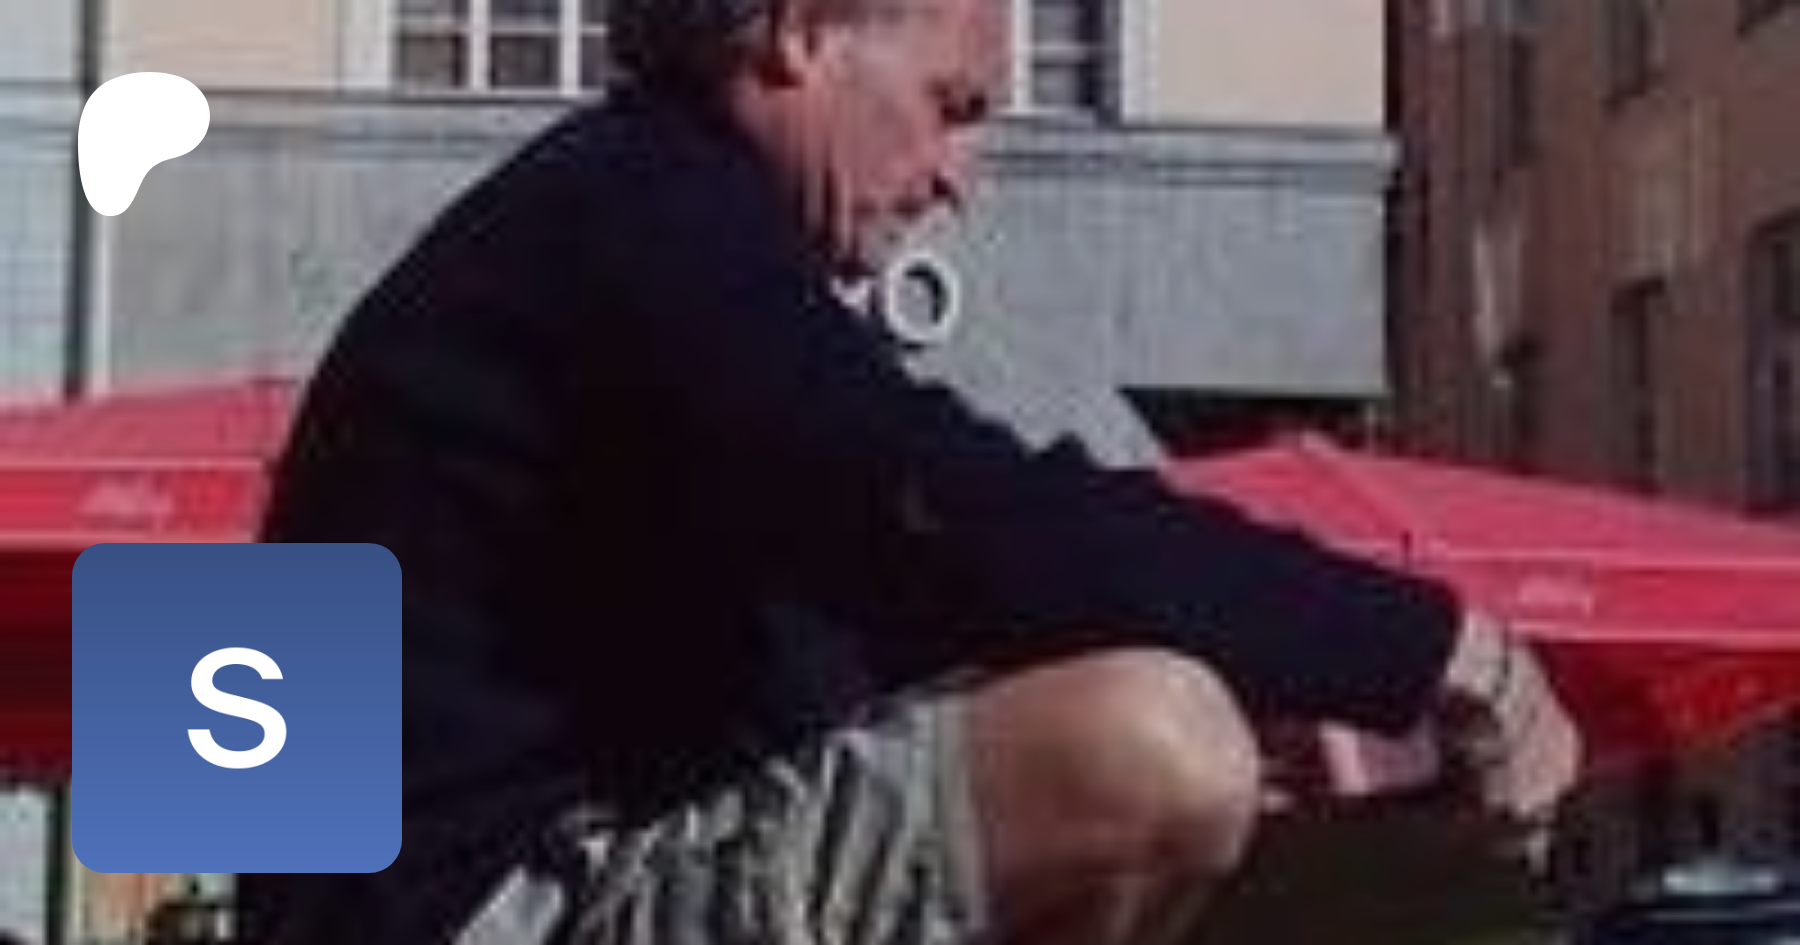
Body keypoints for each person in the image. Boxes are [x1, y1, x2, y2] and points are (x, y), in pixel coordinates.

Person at [240, 0, 1582, 942]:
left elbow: (877, 613)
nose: (959, 181)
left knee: (1201, 768)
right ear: (797, 30)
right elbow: (955, 516)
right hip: (487, 914)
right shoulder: (649, 224)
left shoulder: (580, 226)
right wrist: (1433, 648)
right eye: (953, 107)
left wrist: (1277, 675)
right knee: (1149, 745)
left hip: (440, 878)